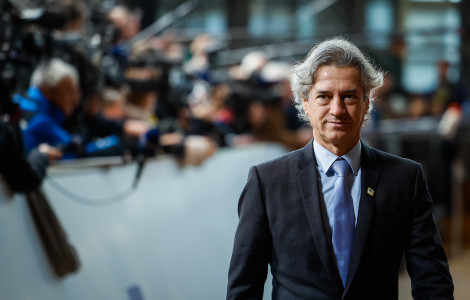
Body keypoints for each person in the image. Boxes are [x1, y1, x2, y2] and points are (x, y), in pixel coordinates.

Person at [227, 38, 453, 299]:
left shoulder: (405, 178)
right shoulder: (266, 181)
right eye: (324, 96)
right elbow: (244, 287)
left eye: (349, 96)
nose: (337, 109)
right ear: (306, 103)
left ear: (367, 103)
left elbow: (432, 282)